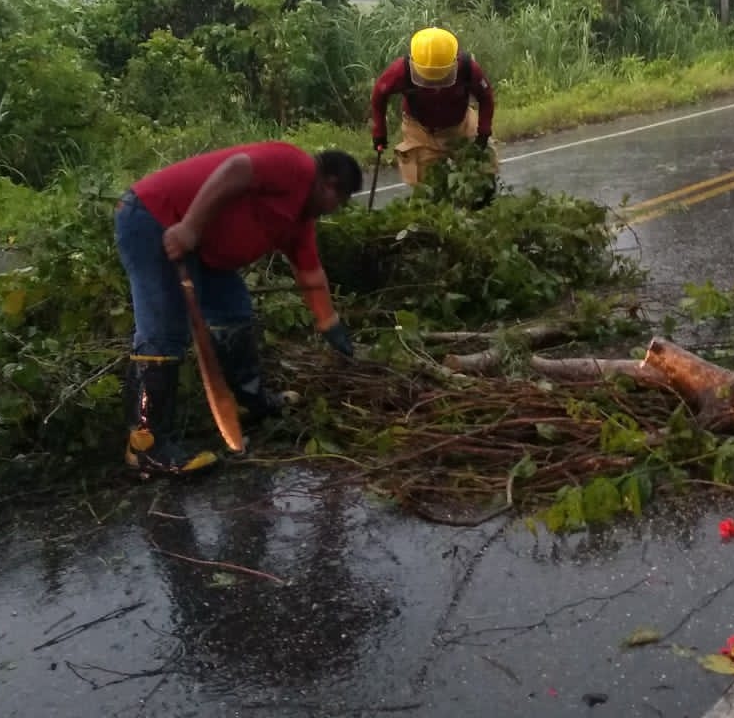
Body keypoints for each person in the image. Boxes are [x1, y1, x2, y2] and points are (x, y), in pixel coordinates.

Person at [115, 142, 362, 479]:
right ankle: (145, 446)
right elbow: (236, 169)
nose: (336, 209)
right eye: (341, 200)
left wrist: (329, 324)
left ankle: (247, 401)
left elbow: (310, 273)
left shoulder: (299, 220)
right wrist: (189, 227)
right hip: (154, 218)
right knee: (165, 332)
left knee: (234, 312)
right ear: (329, 184)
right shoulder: (296, 166)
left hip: (204, 249)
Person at [370, 26, 496, 189]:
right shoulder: (401, 71)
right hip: (420, 130)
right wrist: (379, 130)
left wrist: (484, 131)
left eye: (440, 77)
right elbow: (379, 95)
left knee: (482, 174)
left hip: (461, 125)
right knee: (428, 188)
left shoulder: (467, 67)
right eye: (429, 78)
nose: (435, 85)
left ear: (454, 61)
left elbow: (486, 97)